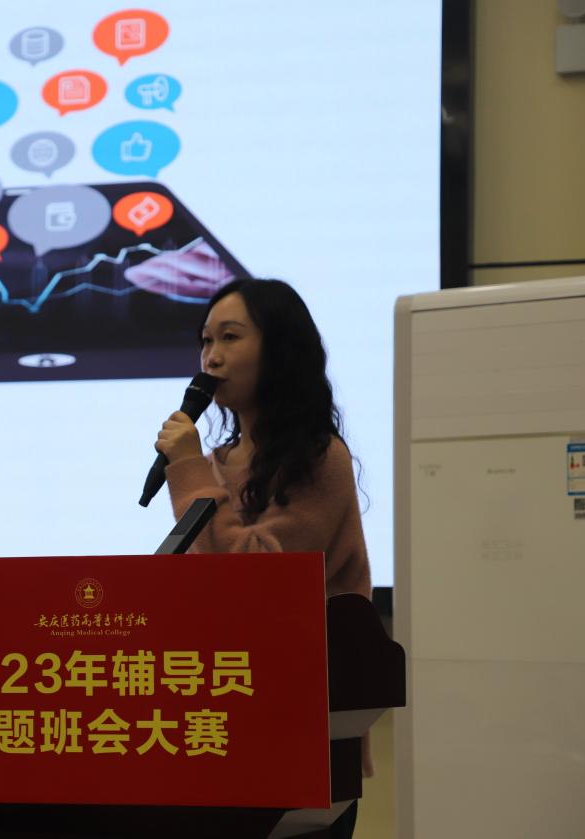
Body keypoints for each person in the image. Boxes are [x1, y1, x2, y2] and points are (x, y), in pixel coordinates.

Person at [153, 277, 372, 837]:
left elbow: (259, 579)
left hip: (297, 730)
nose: (211, 357)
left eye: (230, 337)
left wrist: (187, 470)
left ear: (280, 348)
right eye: (205, 341)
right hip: (224, 720)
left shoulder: (319, 458)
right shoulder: (217, 462)